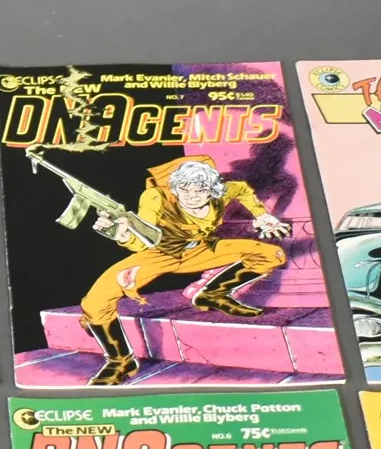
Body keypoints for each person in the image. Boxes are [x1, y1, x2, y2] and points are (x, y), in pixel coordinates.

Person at [76, 158, 294, 386]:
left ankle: (213, 294)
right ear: (175, 188)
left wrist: (262, 215)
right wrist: (122, 235)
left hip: (201, 250)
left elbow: (242, 189)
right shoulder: (156, 198)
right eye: (184, 189)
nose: (191, 196)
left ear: (212, 189)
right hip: (158, 255)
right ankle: (120, 361)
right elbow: (143, 238)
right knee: (96, 301)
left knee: (272, 255)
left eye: (199, 190)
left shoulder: (223, 193)